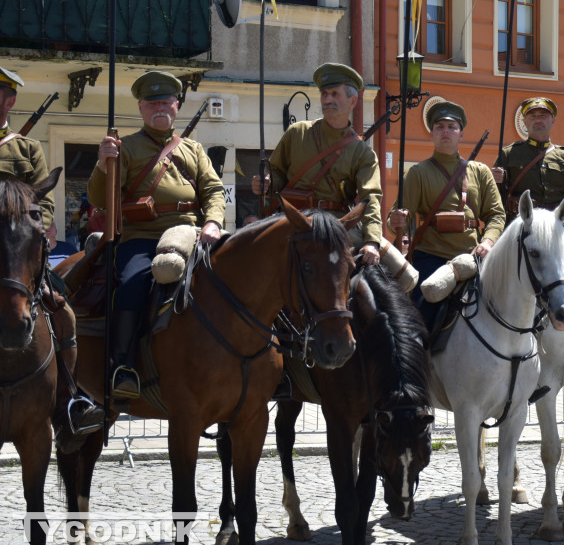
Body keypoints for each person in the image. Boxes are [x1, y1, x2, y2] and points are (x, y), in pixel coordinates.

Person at [89, 70, 226, 398]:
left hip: (193, 235)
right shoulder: (126, 148)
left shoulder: (193, 149)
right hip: (142, 237)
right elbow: (98, 199)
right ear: (141, 108)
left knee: (236, 279)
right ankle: (122, 365)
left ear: (176, 106)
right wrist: (102, 165)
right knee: (133, 282)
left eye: (166, 101)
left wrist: (213, 223)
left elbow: (213, 190)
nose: (160, 107)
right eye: (153, 103)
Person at [0, 66, 104, 441]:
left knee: (64, 315)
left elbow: (42, 205)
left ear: (9, 100)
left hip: (17, 255)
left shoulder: (27, 149)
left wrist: (38, 230)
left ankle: (69, 402)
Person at [387, 101, 504, 329]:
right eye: (439, 127)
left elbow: (496, 215)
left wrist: (489, 241)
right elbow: (400, 218)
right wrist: (395, 220)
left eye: (452, 127)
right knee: (420, 321)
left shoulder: (480, 172)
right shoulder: (417, 173)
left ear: (461, 134)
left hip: (472, 256)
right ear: (432, 134)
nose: (445, 132)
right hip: (432, 257)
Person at [252, 63, 382, 265]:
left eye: (334, 94)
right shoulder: (297, 133)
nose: (327, 99)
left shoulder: (363, 152)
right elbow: (277, 172)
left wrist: (373, 241)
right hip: (291, 219)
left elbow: (370, 199)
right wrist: (267, 184)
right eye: (324, 94)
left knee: (392, 276)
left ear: (353, 101)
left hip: (334, 224)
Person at [492, 97, 564, 232]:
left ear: (553, 121)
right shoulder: (509, 154)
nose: (538, 120)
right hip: (520, 229)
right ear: (525, 122)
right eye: (532, 116)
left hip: (556, 228)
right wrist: (494, 180)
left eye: (543, 116)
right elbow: (494, 198)